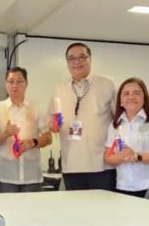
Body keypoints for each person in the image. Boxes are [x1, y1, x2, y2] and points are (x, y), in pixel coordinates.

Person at [48, 42, 117, 191]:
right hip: (72, 164)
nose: (76, 62)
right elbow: (53, 120)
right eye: (71, 58)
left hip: (102, 164)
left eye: (82, 57)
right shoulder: (59, 88)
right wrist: (53, 126)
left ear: (90, 59)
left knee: (103, 211)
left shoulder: (107, 84)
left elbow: (118, 120)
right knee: (77, 211)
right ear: (67, 62)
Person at [104, 78, 149, 197]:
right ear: (120, 100)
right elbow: (108, 157)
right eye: (126, 94)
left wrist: (136, 156)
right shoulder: (115, 125)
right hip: (124, 186)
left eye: (136, 93)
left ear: (144, 98)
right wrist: (120, 157)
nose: (131, 97)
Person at [0, 67, 52, 192]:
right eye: (11, 81)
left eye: (19, 81)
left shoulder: (36, 107)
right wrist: (5, 134)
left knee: (32, 211)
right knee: (9, 211)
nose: (15, 85)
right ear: (5, 84)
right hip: (7, 177)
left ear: (26, 84)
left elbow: (48, 138)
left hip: (32, 176)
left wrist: (33, 142)